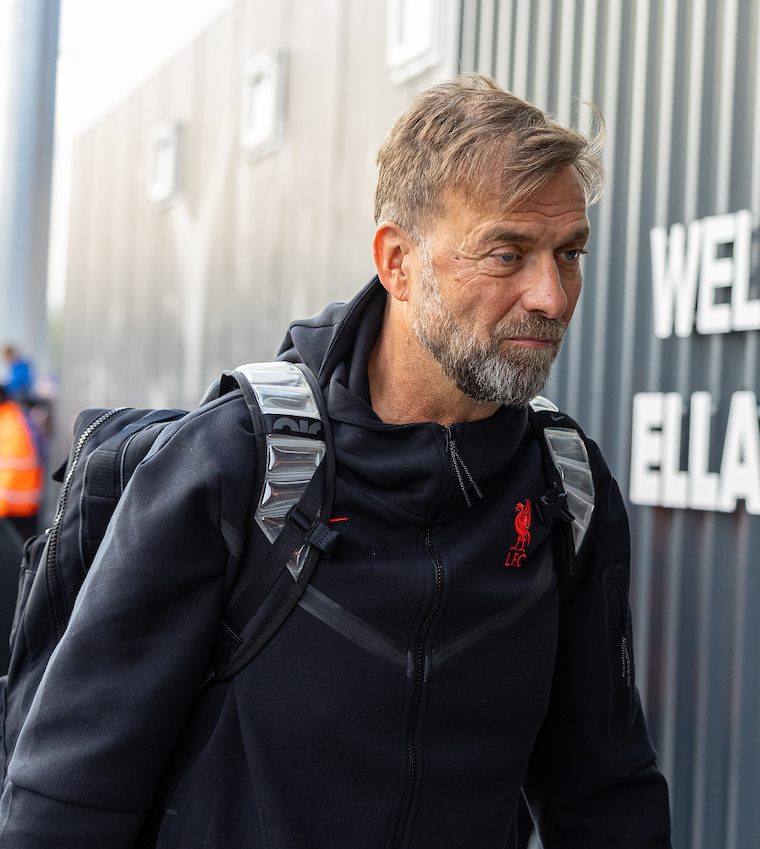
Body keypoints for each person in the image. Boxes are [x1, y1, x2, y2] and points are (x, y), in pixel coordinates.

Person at [0, 74, 671, 848]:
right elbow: (66, 802)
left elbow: (607, 792)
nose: (552, 295)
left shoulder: (567, 488)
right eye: (507, 252)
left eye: (569, 252)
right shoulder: (234, 468)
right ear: (398, 262)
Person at [0, 384, 41, 544]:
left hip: (15, 510)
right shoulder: (10, 421)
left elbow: (12, 471)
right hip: (16, 508)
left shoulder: (10, 426)